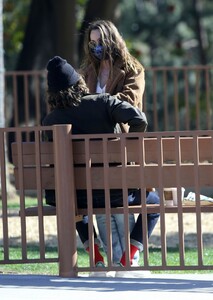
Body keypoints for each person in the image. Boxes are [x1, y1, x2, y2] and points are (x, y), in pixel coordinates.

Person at [42, 55, 160, 271]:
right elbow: (139, 119)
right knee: (155, 202)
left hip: (78, 195)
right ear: (78, 82)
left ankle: (94, 252)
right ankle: (130, 255)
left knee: (72, 204)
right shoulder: (103, 102)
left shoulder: (50, 121)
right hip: (117, 192)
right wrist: (127, 147)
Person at [79, 19, 147, 265]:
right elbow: (77, 102)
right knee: (104, 213)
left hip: (121, 149)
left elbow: (129, 100)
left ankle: (126, 263)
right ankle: (120, 263)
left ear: (112, 40)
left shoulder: (132, 69)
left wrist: (95, 104)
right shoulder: (87, 71)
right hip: (93, 152)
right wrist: (101, 105)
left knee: (119, 212)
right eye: (92, 42)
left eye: (100, 41)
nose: (96, 47)